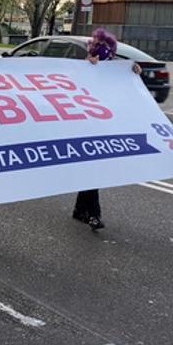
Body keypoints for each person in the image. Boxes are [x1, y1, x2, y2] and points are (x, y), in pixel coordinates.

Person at [72, 27, 142, 231]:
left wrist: (134, 70)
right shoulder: (82, 66)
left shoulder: (115, 68)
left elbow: (129, 85)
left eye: (105, 46)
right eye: (97, 45)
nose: (101, 49)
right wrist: (87, 68)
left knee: (93, 169)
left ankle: (80, 209)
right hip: (84, 127)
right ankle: (93, 214)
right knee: (93, 169)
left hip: (103, 127)